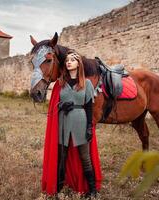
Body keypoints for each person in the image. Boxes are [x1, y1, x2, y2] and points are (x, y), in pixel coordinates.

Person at [41, 50, 102, 198]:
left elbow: (89, 107)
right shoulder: (61, 83)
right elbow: (54, 104)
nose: (68, 62)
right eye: (67, 60)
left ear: (78, 64)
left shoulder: (86, 83)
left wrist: (89, 127)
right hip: (63, 122)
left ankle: (92, 190)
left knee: (85, 157)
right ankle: (59, 187)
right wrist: (61, 106)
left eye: (72, 60)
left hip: (81, 121)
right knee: (62, 157)